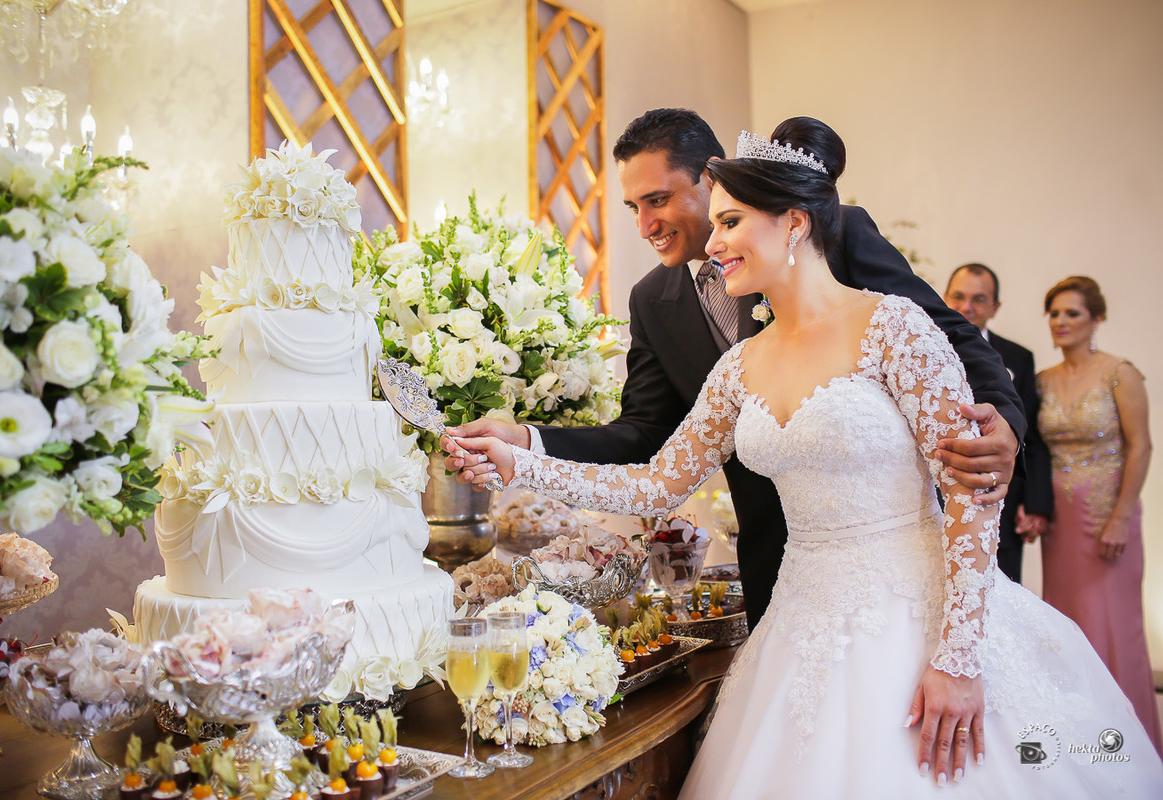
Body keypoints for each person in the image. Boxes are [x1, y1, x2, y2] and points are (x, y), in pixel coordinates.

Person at [448, 121, 1163, 797]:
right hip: (799, 625)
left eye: (730, 223)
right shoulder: (738, 368)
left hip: (919, 619)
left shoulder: (896, 329)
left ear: (793, 223)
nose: (716, 242)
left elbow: (972, 497)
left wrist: (958, 660)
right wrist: (520, 462)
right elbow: (654, 480)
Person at [448, 109, 1026, 630]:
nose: (645, 225)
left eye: (659, 200)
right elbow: (650, 448)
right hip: (783, 566)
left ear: (710, 177)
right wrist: (524, 449)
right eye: (634, 208)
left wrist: (1001, 422)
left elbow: (948, 337)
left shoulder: (847, 254)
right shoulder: (676, 318)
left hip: (902, 576)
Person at [1036, 275, 1161, 753]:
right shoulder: (1042, 380)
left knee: (1114, 629)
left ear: (1097, 319)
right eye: (1055, 313)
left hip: (1108, 517)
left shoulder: (1119, 373)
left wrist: (1121, 518)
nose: (1061, 322)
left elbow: (1141, 446)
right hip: (1061, 527)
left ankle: (1132, 748)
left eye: (1073, 313)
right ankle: (1076, 750)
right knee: (1070, 629)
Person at [943, 263, 1053, 582]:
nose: (967, 307)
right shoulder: (920, 347)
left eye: (978, 299)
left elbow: (1031, 436)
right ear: (944, 297)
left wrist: (1036, 504)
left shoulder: (1018, 357)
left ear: (995, 307)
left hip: (1000, 498)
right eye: (958, 297)